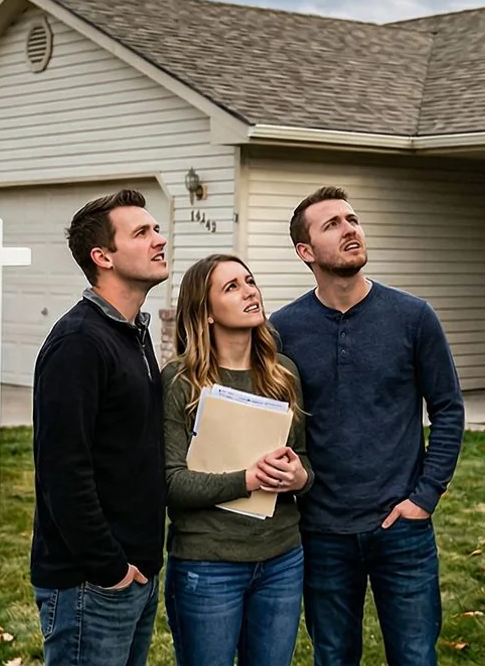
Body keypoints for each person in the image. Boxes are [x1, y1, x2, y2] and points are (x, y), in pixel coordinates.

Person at [271, 186, 465, 666]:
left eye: (352, 219)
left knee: (415, 657)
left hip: (402, 528)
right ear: (306, 251)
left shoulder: (413, 317)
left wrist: (425, 497)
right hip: (322, 530)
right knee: (334, 657)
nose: (350, 229)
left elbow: (449, 409)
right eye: (332, 224)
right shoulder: (282, 330)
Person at [31, 188, 171, 666]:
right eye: (142, 232)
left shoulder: (130, 332)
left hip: (135, 574)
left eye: (156, 228)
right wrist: (110, 568)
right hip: (90, 583)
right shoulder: (79, 342)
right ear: (103, 256)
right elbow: (62, 471)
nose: (159, 238)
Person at [161, 253, 312, 666]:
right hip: (208, 565)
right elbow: (172, 483)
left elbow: (305, 463)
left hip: (282, 558)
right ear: (205, 313)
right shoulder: (180, 382)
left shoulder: (283, 374)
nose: (250, 292)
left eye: (249, 281)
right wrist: (248, 479)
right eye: (232, 287)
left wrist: (298, 476)